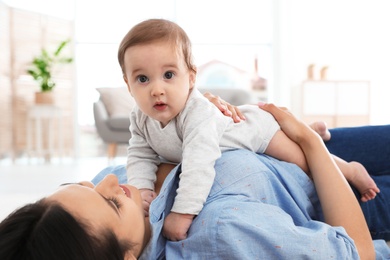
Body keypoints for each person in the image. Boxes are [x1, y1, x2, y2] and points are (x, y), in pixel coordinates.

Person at [1, 101, 390, 258]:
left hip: (282, 143)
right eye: (111, 202)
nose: (107, 183)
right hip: (341, 191)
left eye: (81, 186)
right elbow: (358, 252)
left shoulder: (117, 187)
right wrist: (307, 140)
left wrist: (196, 112)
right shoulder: (222, 232)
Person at [118, 19, 379, 241]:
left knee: (303, 160)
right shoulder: (140, 118)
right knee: (299, 154)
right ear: (128, 84)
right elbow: (140, 155)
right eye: (143, 79)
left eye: (169, 75)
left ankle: (349, 169)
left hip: (255, 131)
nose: (157, 89)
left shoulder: (196, 113)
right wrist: (141, 189)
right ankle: (314, 130)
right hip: (236, 131)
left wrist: (183, 213)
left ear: (191, 78)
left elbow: (198, 164)